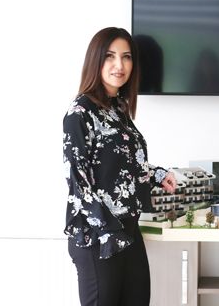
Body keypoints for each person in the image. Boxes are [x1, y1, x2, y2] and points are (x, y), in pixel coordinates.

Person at [63, 27, 177, 306]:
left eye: (126, 57)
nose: (120, 65)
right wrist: (108, 230)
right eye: (110, 56)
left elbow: (125, 162)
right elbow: (78, 181)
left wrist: (158, 174)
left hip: (128, 228)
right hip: (98, 234)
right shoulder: (80, 111)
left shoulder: (118, 108)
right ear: (96, 60)